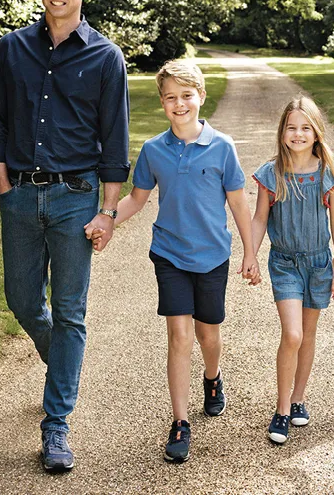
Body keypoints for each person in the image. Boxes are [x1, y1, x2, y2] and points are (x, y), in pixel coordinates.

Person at [0, 0, 130, 471]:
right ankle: (60, 365)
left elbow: (115, 143)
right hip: (20, 195)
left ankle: (56, 426)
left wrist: (108, 211)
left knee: (70, 313)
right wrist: (4, 188)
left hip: (75, 199)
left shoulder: (106, 58)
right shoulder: (12, 49)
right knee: (22, 299)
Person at [87, 59, 259, 463]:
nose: (179, 104)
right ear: (162, 103)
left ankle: (212, 378)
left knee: (208, 335)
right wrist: (106, 219)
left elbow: (238, 202)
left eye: (186, 96)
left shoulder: (222, 146)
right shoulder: (153, 150)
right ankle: (180, 422)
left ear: (201, 96)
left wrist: (250, 251)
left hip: (213, 255)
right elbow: (137, 199)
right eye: (170, 98)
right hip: (170, 254)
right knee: (179, 336)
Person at [250, 95, 334, 445]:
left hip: (319, 263)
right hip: (285, 263)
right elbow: (260, 218)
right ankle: (281, 409)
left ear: (317, 133)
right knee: (292, 335)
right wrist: (251, 253)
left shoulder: (327, 174)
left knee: (307, 334)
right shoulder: (271, 173)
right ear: (282, 132)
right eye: (291, 127)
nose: (298, 133)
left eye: (306, 127)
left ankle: (298, 397)